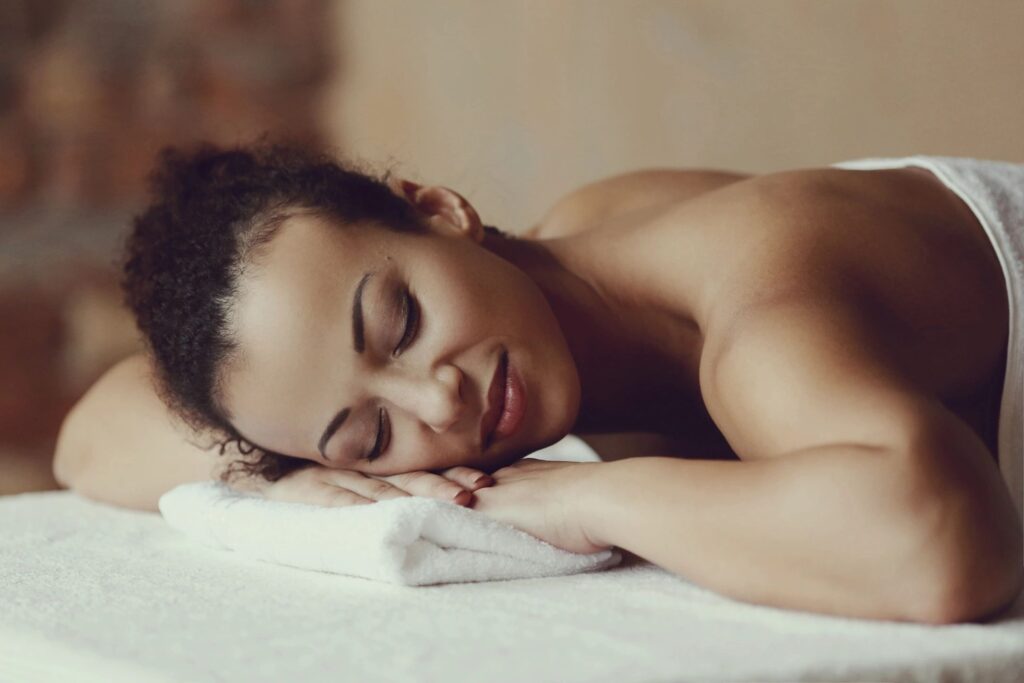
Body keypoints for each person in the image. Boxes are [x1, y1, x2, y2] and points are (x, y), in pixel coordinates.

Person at [53, 143, 1023, 624]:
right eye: (371, 434)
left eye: (400, 322)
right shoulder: (577, 248)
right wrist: (282, 471)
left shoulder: (753, 302)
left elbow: (938, 541)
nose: (439, 403)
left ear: (436, 208)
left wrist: (588, 497)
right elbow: (92, 433)